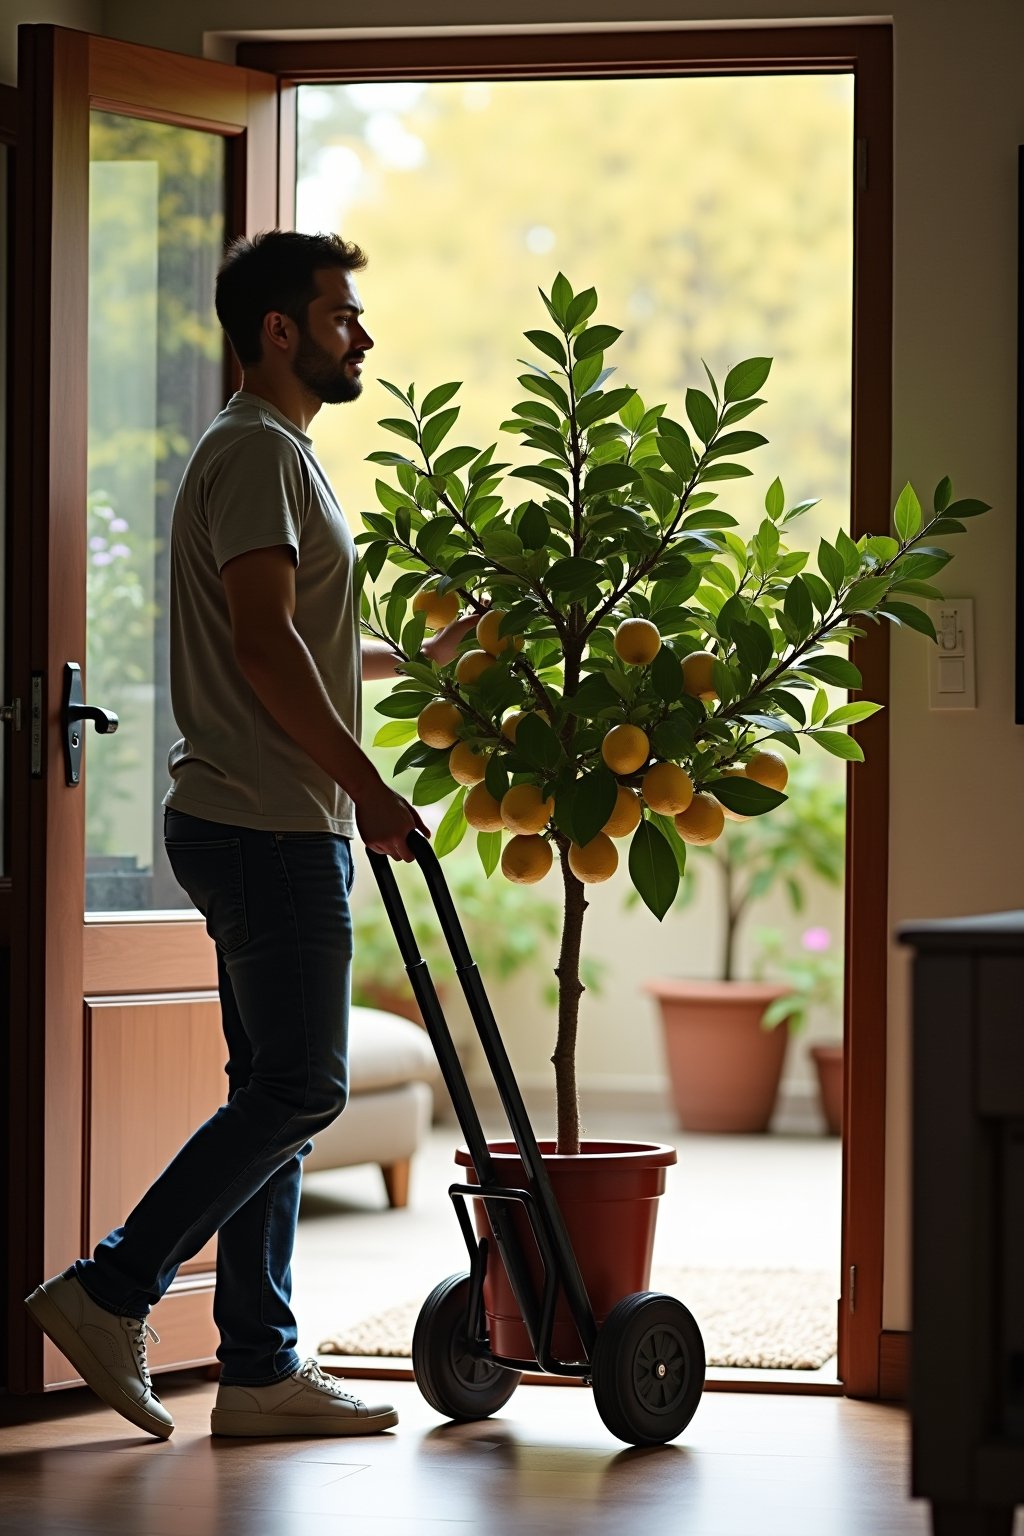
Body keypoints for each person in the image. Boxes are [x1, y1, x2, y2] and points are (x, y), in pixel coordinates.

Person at [25, 230, 477, 1441]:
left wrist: (412, 660)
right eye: (342, 315)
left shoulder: (279, 456)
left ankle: (261, 1370)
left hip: (271, 820)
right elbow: (263, 646)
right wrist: (368, 789)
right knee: (298, 1087)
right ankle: (112, 1287)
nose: (362, 335)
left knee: (271, 1092)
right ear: (279, 331)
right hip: (268, 823)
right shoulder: (254, 453)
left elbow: (305, 639)